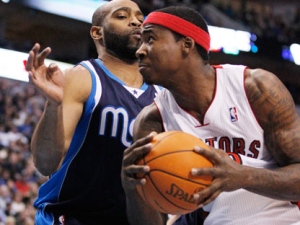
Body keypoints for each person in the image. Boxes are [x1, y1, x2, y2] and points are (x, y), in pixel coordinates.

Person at [121, 5, 300, 225]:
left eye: (150, 39)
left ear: (186, 45)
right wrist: (133, 190)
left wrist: (244, 176)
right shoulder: (152, 121)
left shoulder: (255, 88)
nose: (139, 50)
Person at [25, 0, 161, 224]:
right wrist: (54, 106)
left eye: (140, 17)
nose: (137, 21)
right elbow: (45, 163)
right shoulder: (83, 77)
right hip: (71, 217)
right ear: (97, 32)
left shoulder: (161, 95)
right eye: (122, 16)